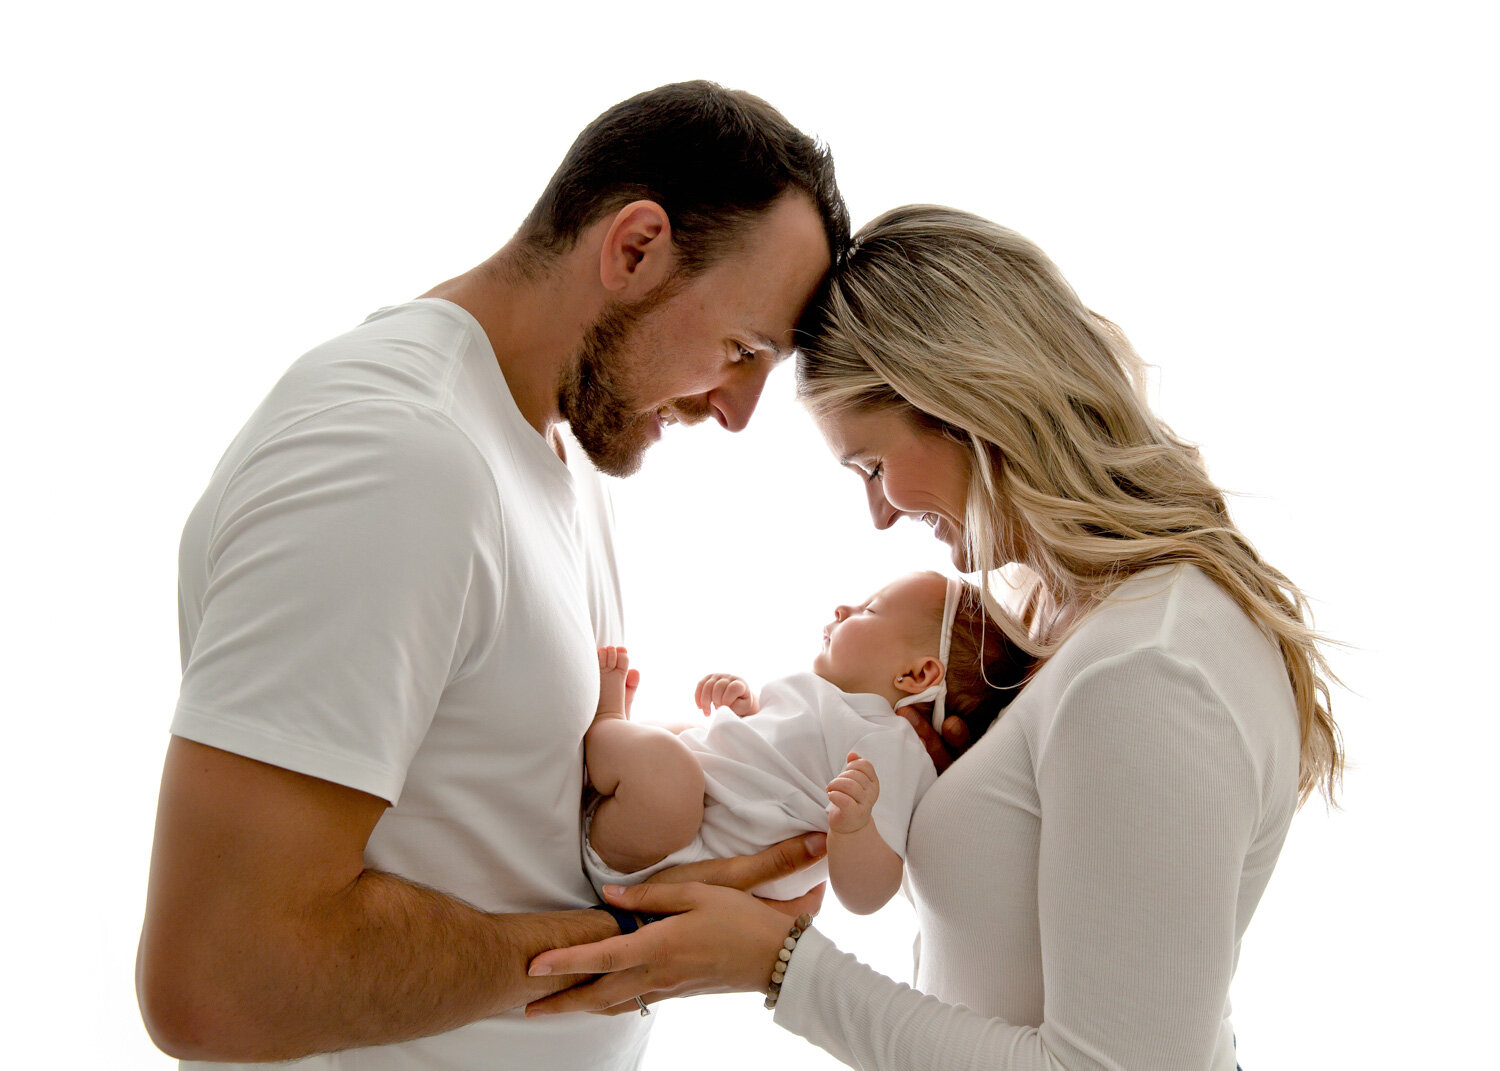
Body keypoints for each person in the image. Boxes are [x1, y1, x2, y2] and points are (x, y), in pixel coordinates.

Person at [525, 205, 1344, 1071]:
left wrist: (774, 966)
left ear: (968, 403)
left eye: (873, 466)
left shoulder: (1151, 664)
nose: (879, 514)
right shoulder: (1064, 622)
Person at [134, 81, 846, 1070]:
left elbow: (492, 825)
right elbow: (224, 978)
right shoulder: (394, 457)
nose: (736, 413)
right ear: (634, 248)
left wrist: (674, 857)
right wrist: (628, 953)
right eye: (740, 350)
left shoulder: (548, 451)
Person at [583, 571, 1031, 915]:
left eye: (869, 610)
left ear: (916, 675)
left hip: (666, 859)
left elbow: (867, 896)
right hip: (674, 826)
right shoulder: (826, 700)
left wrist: (855, 828)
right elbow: (765, 758)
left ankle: (605, 723)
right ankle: (620, 750)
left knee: (670, 770)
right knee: (680, 746)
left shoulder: (895, 749)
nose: (843, 608)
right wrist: (744, 710)